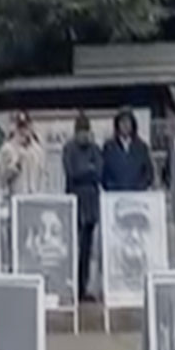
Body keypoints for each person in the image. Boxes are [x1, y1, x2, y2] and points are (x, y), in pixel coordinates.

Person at [63, 114, 103, 301]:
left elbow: (99, 173)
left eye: (86, 131)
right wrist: (88, 169)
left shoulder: (95, 149)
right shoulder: (69, 149)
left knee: (88, 250)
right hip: (74, 204)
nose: (84, 135)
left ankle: (84, 287)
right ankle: (72, 285)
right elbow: (72, 173)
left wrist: (86, 170)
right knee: (74, 249)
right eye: (81, 131)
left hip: (91, 205)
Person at [101, 109, 154, 192]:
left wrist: (139, 187)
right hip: (114, 195)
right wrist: (112, 187)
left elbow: (148, 173)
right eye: (122, 122)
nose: (125, 125)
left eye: (128, 122)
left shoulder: (142, 147)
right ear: (117, 125)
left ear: (133, 125)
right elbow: (103, 172)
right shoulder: (109, 147)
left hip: (137, 195)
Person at [0, 110, 45, 196]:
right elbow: (3, 177)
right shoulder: (7, 149)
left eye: (26, 127)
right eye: (20, 127)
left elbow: (41, 173)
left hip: (34, 195)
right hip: (16, 195)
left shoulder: (37, 150)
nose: (23, 131)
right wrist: (17, 163)